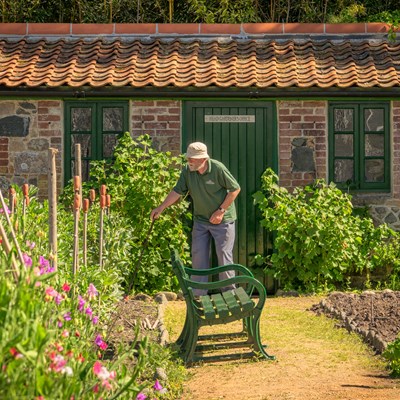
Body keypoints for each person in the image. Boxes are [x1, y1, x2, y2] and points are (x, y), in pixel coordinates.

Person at [150, 142, 241, 296]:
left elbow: (235, 189)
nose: (189, 161)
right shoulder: (188, 171)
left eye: (192, 158)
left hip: (223, 220)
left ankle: (229, 295)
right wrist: (161, 208)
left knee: (224, 256)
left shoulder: (217, 168)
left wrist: (220, 211)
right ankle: (198, 295)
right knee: (199, 257)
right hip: (201, 221)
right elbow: (177, 191)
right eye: (188, 158)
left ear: (203, 159)